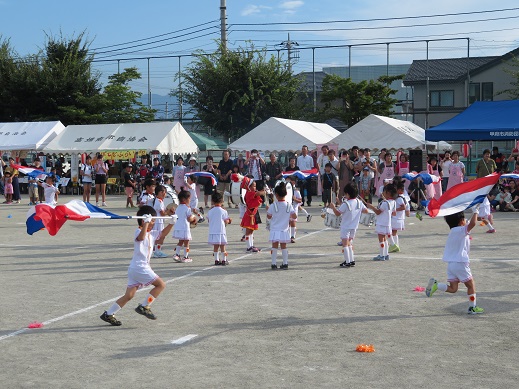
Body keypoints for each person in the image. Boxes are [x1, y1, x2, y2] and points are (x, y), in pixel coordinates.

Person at [99, 205, 176, 326]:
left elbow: (162, 234)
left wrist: (172, 223)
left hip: (137, 268)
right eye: (152, 221)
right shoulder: (139, 231)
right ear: (143, 220)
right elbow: (141, 237)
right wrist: (146, 223)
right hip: (140, 267)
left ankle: (108, 314)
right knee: (160, 285)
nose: (153, 223)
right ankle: (145, 306)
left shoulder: (151, 234)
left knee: (129, 295)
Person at [425, 208, 484, 315]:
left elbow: (470, 223)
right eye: (464, 219)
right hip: (460, 263)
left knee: (453, 288)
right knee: (470, 285)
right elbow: (473, 223)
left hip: (451, 264)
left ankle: (436, 285)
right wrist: (476, 210)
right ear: (461, 221)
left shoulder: (453, 231)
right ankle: (473, 307)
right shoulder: (461, 230)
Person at [329, 183, 368, 268]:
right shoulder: (359, 202)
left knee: (345, 244)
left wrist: (333, 207)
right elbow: (366, 211)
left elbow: (337, 213)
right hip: (354, 227)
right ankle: (351, 260)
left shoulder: (346, 204)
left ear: (348, 194)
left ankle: (347, 261)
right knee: (350, 243)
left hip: (345, 227)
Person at [267, 181, 297, 270]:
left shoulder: (273, 205)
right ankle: (285, 263)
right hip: (284, 230)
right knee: (284, 247)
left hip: (275, 229)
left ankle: (273, 264)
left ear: (276, 195)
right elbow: (294, 216)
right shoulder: (289, 205)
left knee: (274, 247)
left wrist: (267, 210)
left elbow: (269, 216)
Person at [364, 184, 397, 261]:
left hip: (381, 223)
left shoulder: (385, 203)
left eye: (384, 192)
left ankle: (382, 255)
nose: (383, 193)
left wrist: (372, 207)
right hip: (388, 223)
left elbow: (378, 212)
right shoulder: (393, 202)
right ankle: (386, 254)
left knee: (381, 239)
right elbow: (394, 213)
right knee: (385, 239)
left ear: (388, 193)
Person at [172, 189, 197, 263]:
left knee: (180, 241)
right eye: (189, 198)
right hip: (184, 226)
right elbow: (189, 218)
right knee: (187, 242)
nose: (190, 200)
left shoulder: (178, 207)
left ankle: (177, 254)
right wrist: (194, 219)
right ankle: (186, 256)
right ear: (184, 199)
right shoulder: (187, 208)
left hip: (178, 226)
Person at [207, 191, 232, 266]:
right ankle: (224, 260)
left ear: (212, 201)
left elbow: (209, 220)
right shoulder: (223, 211)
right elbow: (226, 221)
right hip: (221, 231)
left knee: (216, 246)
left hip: (213, 231)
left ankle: (216, 260)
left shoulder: (210, 211)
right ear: (222, 201)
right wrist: (229, 220)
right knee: (222, 246)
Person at [240, 177, 264, 253]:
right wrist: (264, 191)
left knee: (251, 231)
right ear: (249, 187)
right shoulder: (250, 193)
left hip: (253, 215)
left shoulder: (252, 193)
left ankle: (251, 245)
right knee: (248, 231)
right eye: (253, 186)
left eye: (255, 186)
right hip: (249, 216)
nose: (255, 187)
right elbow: (258, 193)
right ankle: (248, 247)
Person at [388, 182, 409, 253]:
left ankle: (393, 245)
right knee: (394, 232)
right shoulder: (402, 197)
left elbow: (403, 207)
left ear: (399, 190)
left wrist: (395, 210)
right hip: (398, 217)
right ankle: (396, 245)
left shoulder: (399, 198)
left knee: (391, 232)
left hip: (396, 218)